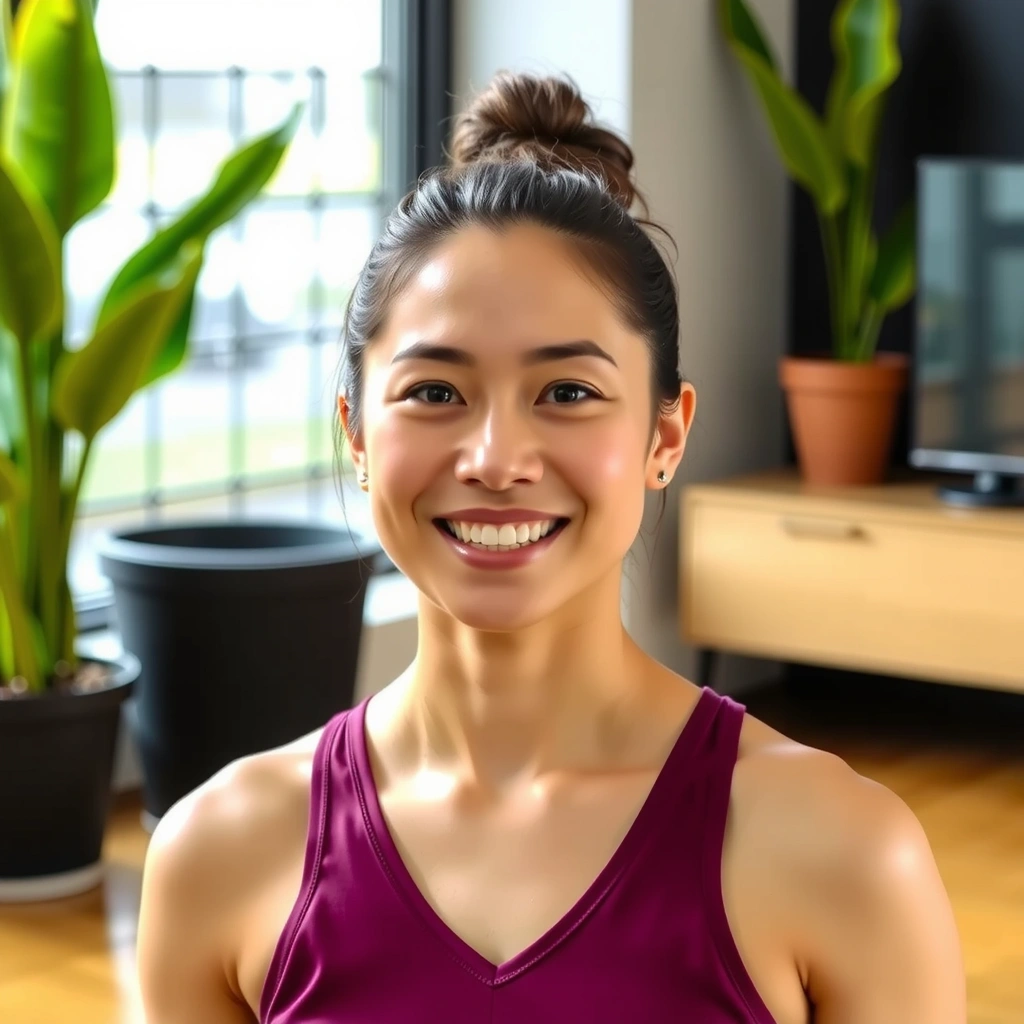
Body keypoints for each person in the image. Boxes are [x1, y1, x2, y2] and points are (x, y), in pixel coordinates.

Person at [136, 71, 966, 1024]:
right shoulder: (220, 855)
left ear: (664, 436)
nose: (496, 461)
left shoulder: (847, 856)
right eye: (435, 393)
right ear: (357, 436)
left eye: (568, 393)